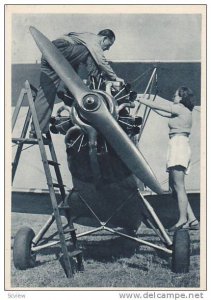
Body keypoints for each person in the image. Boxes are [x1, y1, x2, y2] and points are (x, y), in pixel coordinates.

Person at [29, 29, 124, 137]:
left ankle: (37, 130)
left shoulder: (84, 37)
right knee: (89, 53)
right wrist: (114, 78)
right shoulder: (94, 41)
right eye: (109, 45)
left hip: (49, 53)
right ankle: (95, 87)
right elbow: (101, 61)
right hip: (59, 50)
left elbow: (74, 61)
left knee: (45, 95)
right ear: (104, 38)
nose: (108, 49)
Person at [137, 86, 199, 232]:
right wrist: (147, 103)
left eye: (176, 95)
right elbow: (159, 110)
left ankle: (183, 219)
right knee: (176, 186)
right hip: (177, 145)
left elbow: (159, 106)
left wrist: (141, 99)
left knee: (179, 186)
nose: (173, 97)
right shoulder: (183, 111)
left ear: (182, 97)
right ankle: (192, 219)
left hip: (178, 145)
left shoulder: (180, 108)